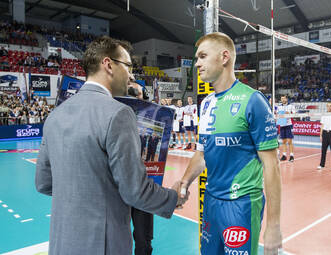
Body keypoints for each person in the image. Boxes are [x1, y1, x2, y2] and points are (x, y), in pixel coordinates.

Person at [35, 36, 187, 255]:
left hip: (62, 242)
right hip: (102, 244)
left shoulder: (55, 115)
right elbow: (134, 191)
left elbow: (43, 183)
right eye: (128, 66)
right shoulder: (118, 114)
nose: (132, 75)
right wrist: (173, 198)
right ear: (108, 64)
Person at [178, 32, 282, 255]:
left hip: (241, 204)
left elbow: (272, 166)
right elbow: (202, 152)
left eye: (202, 56)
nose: (197, 64)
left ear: (224, 57)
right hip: (211, 201)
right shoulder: (205, 104)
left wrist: (273, 225)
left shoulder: (252, 100)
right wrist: (184, 182)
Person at [276, 95, 296, 162]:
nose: (283, 100)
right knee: (283, 141)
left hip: (288, 125)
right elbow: (277, 114)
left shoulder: (291, 106)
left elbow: (294, 114)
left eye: (284, 98)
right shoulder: (279, 106)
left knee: (290, 141)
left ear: (286, 99)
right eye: (281, 98)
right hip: (282, 125)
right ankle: (284, 155)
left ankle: (291, 156)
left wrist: (289, 113)